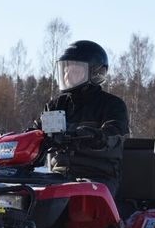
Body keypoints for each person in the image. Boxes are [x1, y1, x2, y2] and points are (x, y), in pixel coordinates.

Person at [34, 40, 130, 196]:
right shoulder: (56, 105)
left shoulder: (112, 105)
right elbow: (37, 131)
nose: (67, 75)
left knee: (80, 203)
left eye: (74, 71)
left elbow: (115, 133)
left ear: (95, 73)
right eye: (64, 70)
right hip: (59, 176)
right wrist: (23, 140)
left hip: (98, 176)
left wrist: (92, 136)